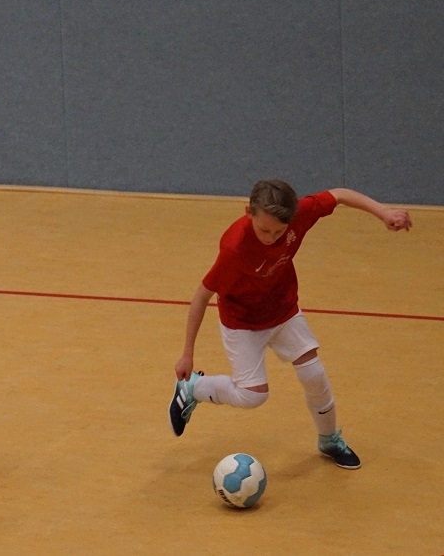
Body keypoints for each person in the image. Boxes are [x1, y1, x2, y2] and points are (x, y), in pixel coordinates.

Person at [170, 179, 412, 469]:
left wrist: (383, 212)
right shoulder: (235, 248)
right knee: (253, 396)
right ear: (248, 212)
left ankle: (329, 440)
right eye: (264, 230)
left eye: (279, 231)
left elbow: (340, 195)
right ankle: (194, 388)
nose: (271, 238)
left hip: (283, 309)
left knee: (314, 373)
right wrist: (187, 353)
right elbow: (201, 296)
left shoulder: (300, 214)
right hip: (242, 322)